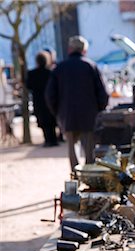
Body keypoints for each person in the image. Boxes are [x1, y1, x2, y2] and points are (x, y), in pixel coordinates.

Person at [45, 35, 109, 172]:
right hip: (89, 114)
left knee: (71, 148)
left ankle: (75, 177)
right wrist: (99, 110)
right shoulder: (91, 66)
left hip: (67, 114)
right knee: (89, 150)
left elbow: (50, 95)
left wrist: (57, 112)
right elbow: (102, 93)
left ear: (69, 49)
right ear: (84, 50)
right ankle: (90, 176)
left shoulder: (59, 68)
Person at [26, 51, 58, 147]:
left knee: (43, 121)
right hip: (50, 100)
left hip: (38, 100)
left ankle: (48, 139)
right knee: (51, 121)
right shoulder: (50, 73)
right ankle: (53, 139)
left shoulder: (32, 74)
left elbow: (28, 86)